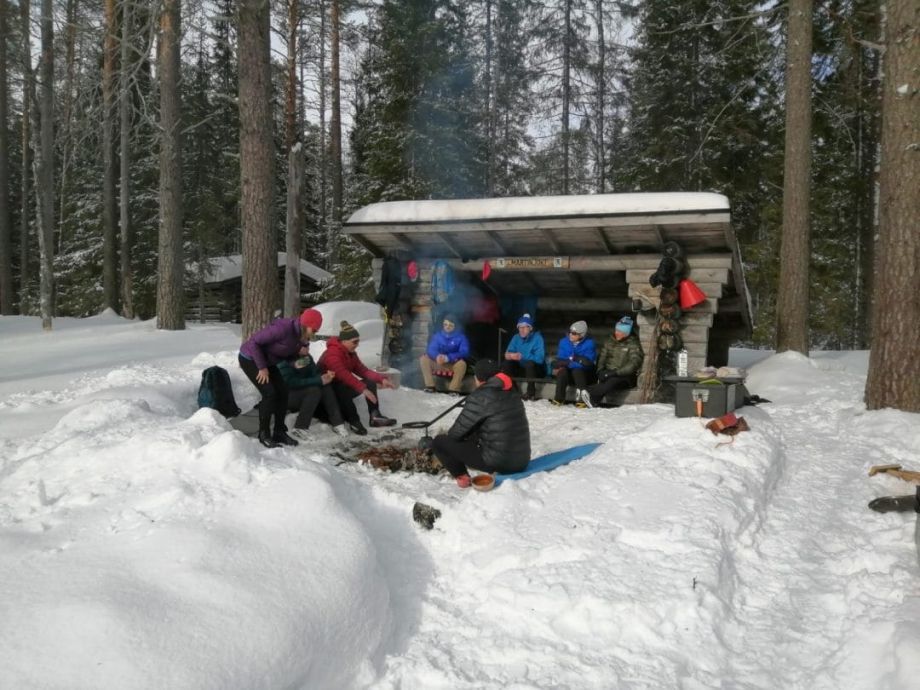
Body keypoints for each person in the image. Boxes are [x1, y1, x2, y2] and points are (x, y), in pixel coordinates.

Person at [431, 359, 531, 488]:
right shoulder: (512, 391)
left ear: (478, 378)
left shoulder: (480, 396)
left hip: (500, 463)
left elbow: (455, 434)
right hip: (522, 460)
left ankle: (462, 477)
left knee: (439, 442)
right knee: (479, 428)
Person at [238, 308, 323, 448]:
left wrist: (296, 363)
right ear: (306, 325)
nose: (314, 334)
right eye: (314, 330)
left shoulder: (301, 338)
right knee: (270, 393)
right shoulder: (282, 328)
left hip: (269, 361)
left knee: (283, 392)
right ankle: (264, 434)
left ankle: (279, 432)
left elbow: (287, 354)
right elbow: (254, 342)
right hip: (250, 358)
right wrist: (262, 368)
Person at [318, 321, 397, 435]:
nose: (357, 344)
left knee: (369, 382)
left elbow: (363, 370)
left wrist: (381, 379)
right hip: (327, 393)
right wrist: (362, 389)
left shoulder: (350, 353)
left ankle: (375, 417)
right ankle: (354, 421)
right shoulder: (332, 354)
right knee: (343, 386)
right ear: (344, 341)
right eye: (355, 342)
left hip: (340, 389)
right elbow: (343, 375)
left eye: (358, 341)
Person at [277, 348, 348, 440]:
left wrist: (325, 376)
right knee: (314, 389)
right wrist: (318, 380)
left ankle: (338, 423)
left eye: (308, 344)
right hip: (287, 397)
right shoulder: (284, 359)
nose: (308, 347)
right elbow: (290, 383)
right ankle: (300, 427)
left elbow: (315, 373)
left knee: (325, 386)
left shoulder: (306, 358)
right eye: (304, 345)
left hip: (304, 393)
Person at [580, 316, 644, 408]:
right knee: (605, 380)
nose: (616, 333)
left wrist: (614, 373)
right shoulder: (610, 341)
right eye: (616, 330)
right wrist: (600, 371)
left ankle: (587, 392)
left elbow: (633, 364)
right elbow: (602, 357)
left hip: (625, 377)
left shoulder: (633, 344)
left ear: (626, 333)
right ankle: (592, 400)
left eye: (620, 331)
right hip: (608, 373)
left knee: (611, 381)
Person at [418, 313, 470, 395]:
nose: (447, 327)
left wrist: (448, 357)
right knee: (424, 359)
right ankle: (430, 386)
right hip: (438, 362)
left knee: (462, 364)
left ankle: (454, 389)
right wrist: (437, 356)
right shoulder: (438, 336)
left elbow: (464, 352)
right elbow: (431, 349)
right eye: (445, 324)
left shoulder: (460, 337)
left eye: (450, 325)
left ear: (455, 326)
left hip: (452, 364)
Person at [550, 320, 597, 407]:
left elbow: (588, 363)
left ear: (581, 335)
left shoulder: (589, 344)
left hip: (585, 375)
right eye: (570, 332)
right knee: (562, 372)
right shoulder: (563, 342)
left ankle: (582, 400)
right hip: (570, 373)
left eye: (574, 333)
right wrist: (575, 360)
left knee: (577, 370)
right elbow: (560, 360)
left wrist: (569, 362)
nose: (571, 334)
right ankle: (558, 398)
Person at [501, 313, 546, 400]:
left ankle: (531, 393)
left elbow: (540, 359)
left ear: (530, 328)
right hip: (522, 369)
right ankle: (513, 390)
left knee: (529, 364)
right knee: (506, 363)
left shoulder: (537, 338)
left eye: (525, 327)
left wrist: (522, 356)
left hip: (536, 370)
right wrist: (509, 355)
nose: (522, 330)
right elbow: (509, 352)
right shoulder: (516, 337)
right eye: (520, 327)